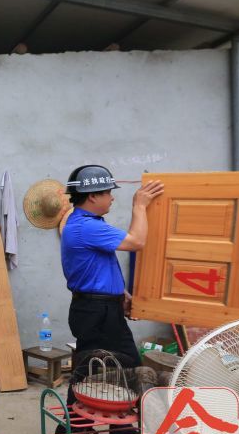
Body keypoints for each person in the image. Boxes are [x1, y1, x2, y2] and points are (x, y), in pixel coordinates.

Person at [61, 164, 163, 406]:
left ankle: (76, 424)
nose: (112, 197)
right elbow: (137, 242)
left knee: (92, 368)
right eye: (108, 192)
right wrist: (139, 206)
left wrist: (120, 294)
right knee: (123, 368)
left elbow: (99, 266)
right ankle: (85, 423)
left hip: (96, 308)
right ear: (92, 196)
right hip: (97, 311)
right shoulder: (87, 226)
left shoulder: (85, 223)